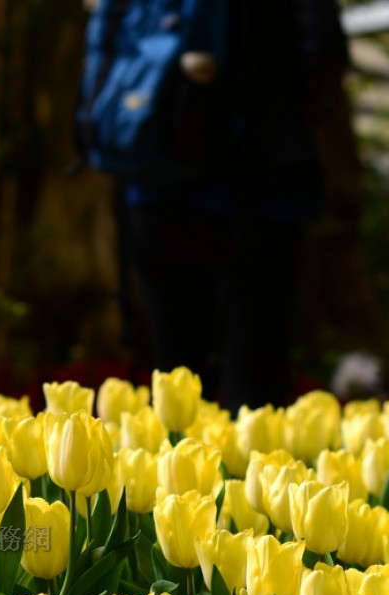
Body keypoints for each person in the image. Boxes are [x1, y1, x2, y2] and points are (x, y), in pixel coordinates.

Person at [116, 0, 348, 413]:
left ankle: (173, 469)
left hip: (157, 185)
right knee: (255, 385)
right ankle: (244, 470)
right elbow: (325, 48)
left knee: (176, 380)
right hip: (264, 189)